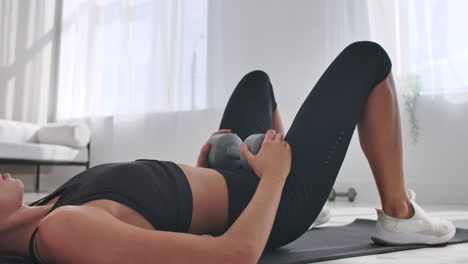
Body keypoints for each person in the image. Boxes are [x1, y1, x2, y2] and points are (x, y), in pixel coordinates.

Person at [0, 41, 455, 264]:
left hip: (240, 177)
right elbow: (233, 256)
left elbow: (154, 207)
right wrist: (275, 178)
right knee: (368, 59)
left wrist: (199, 173)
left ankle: (298, 192)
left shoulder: (45, 208)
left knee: (256, 82)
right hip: (274, 199)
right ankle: (400, 216)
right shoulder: (61, 233)